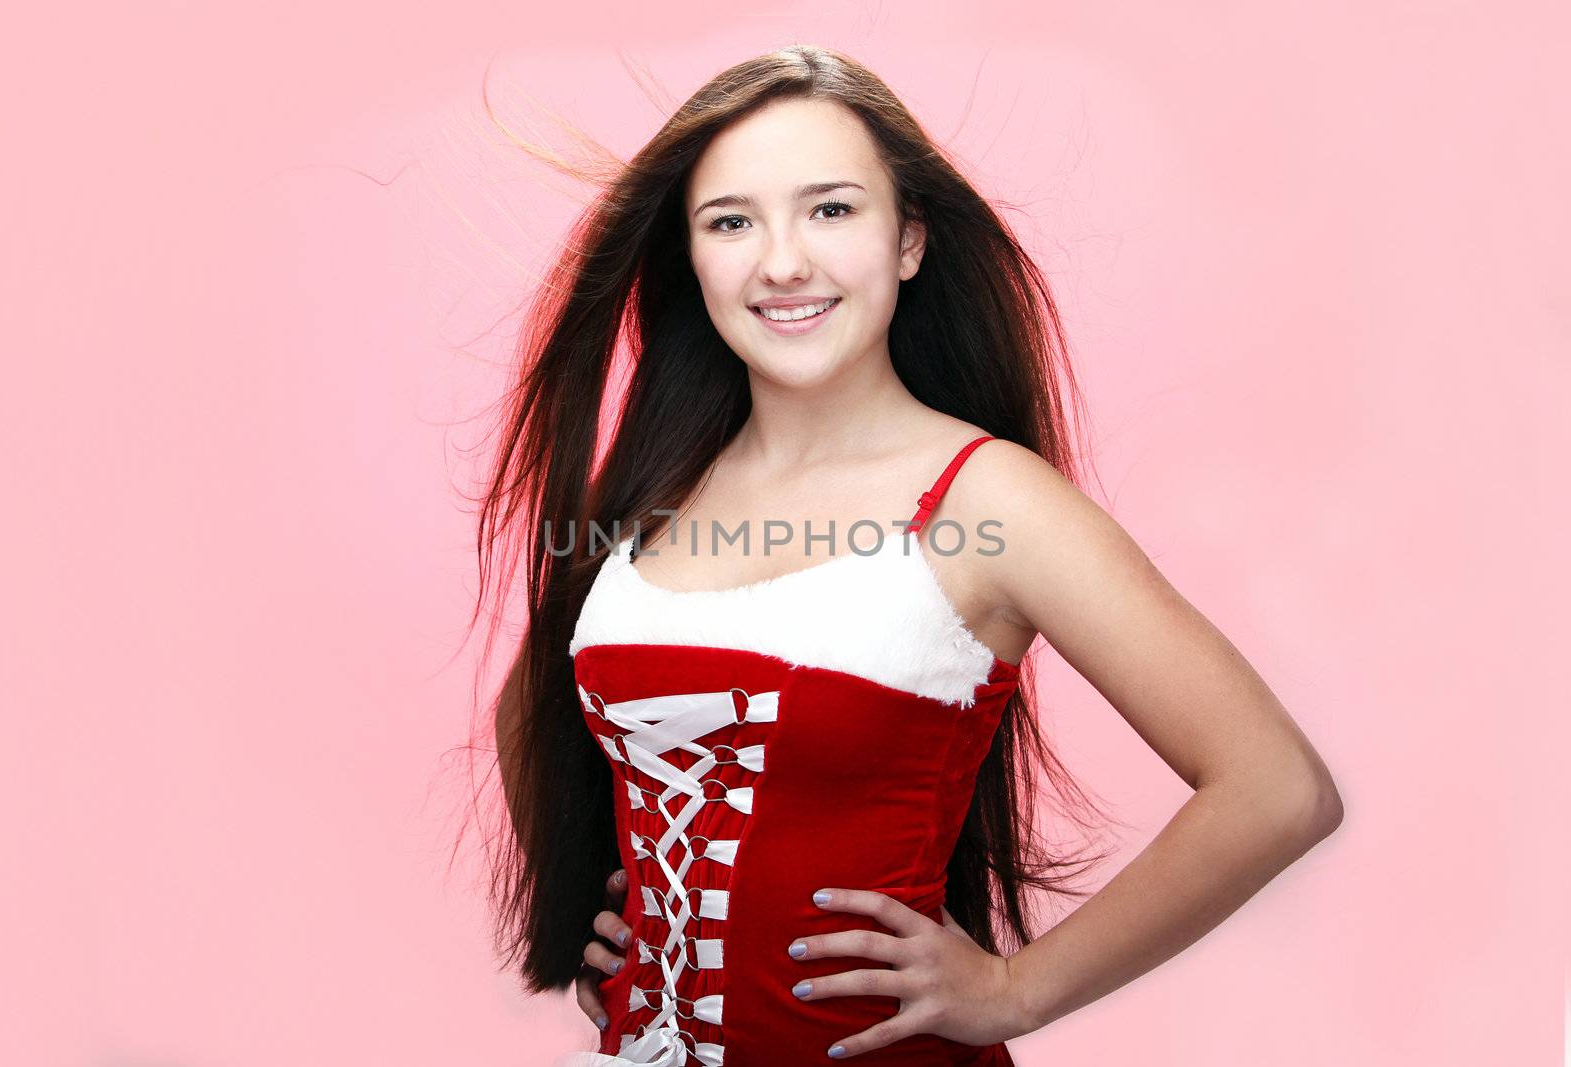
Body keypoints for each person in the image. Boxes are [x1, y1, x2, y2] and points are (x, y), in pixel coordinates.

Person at [471, 45, 1343, 1066]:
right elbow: (532, 704)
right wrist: (593, 912)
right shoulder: (647, 493)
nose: (782, 261)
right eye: (731, 221)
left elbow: (1277, 786)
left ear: (909, 241)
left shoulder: (991, 501)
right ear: (691, 256)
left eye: (831, 210)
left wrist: (1017, 989)